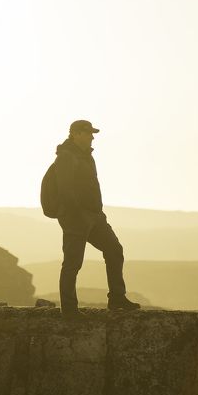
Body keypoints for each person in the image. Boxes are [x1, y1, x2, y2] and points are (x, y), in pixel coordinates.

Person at [54, 119, 140, 316]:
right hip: (77, 217)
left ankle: (117, 298)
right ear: (75, 134)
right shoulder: (66, 157)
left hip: (95, 216)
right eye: (88, 133)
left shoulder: (86, 157)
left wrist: (97, 212)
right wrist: (77, 214)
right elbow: (65, 190)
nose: (92, 137)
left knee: (114, 250)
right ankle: (68, 309)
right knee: (73, 262)